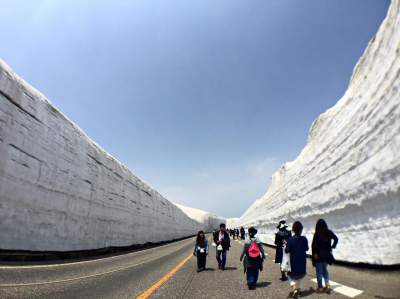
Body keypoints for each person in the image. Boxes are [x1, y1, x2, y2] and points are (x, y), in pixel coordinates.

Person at [312, 219, 339, 293]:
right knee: (325, 271)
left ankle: (320, 288)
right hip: (326, 255)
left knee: (319, 273)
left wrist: (314, 254)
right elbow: (336, 239)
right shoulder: (328, 232)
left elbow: (313, 246)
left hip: (319, 256)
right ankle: (328, 285)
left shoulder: (317, 233)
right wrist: (332, 246)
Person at [285, 221, 308, 299]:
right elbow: (307, 248)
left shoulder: (290, 240)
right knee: (302, 276)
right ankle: (299, 289)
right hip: (302, 262)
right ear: (301, 229)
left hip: (293, 262)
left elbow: (287, 250)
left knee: (289, 275)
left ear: (293, 230)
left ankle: (294, 288)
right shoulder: (304, 239)